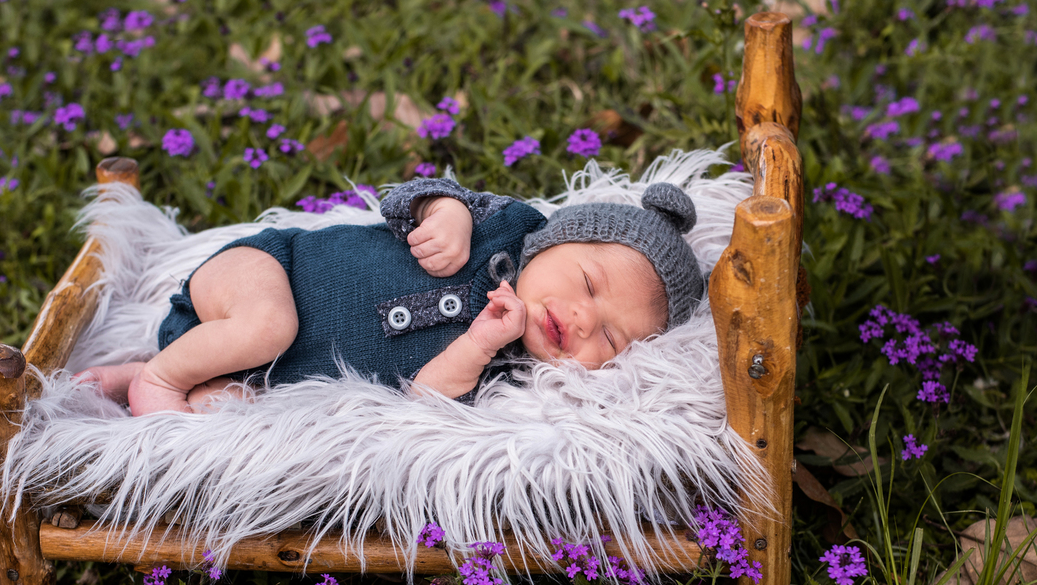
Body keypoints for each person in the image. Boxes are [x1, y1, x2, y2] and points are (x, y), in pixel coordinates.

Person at [81, 177, 705, 414]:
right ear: (561, 240)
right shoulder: (510, 225)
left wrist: (484, 340)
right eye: (589, 285)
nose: (583, 318)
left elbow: (424, 397)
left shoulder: (513, 376)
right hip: (267, 270)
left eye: (612, 338)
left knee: (232, 407)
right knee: (266, 324)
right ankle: (159, 381)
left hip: (264, 368)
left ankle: (151, 369)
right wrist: (449, 212)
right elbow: (405, 195)